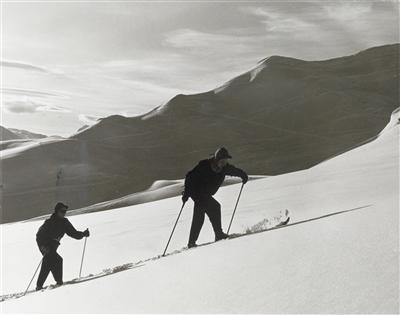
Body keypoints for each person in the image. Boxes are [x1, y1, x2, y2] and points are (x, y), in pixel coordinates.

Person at [182, 147, 248, 248]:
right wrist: (186, 194)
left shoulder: (225, 168)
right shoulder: (204, 165)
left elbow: (234, 170)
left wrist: (243, 175)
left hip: (206, 193)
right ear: (217, 159)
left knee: (204, 212)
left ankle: (195, 241)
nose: (224, 163)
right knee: (210, 209)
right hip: (196, 191)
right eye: (222, 161)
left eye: (225, 161)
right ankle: (217, 234)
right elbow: (190, 177)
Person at [35, 202, 90, 290]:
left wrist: (83, 234)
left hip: (53, 246)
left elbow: (73, 233)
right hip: (46, 246)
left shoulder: (65, 222)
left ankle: (50, 284)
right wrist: (43, 247)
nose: (64, 213)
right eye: (62, 211)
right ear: (57, 211)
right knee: (54, 259)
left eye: (65, 211)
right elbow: (39, 235)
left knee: (52, 261)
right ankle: (54, 283)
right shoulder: (49, 222)